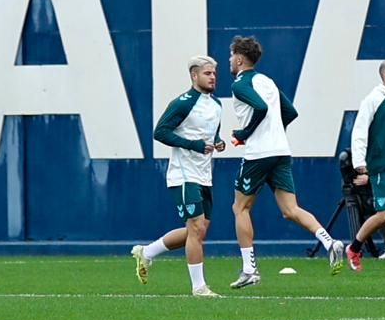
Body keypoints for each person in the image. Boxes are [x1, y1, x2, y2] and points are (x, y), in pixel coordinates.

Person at [226, 35, 346, 287]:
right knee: (290, 209)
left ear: (239, 59)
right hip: (281, 151)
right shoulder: (267, 81)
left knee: (240, 208)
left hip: (258, 154)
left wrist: (245, 134)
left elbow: (260, 108)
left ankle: (249, 269)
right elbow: (290, 111)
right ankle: (329, 242)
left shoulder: (240, 84)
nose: (230, 60)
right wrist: (275, 134)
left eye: (231, 56)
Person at [131, 55, 226, 297]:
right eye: (207, 73)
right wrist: (193, 145)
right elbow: (160, 132)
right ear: (194, 75)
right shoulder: (183, 103)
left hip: (204, 175)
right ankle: (199, 287)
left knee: (198, 230)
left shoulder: (216, 105)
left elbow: (209, 134)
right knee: (196, 228)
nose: (212, 77)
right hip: (183, 174)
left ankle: (147, 252)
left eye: (214, 73)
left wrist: (218, 142)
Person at [346, 60, 385, 273]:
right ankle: (354, 248)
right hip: (382, 167)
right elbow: (360, 130)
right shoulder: (373, 99)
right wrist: (359, 162)